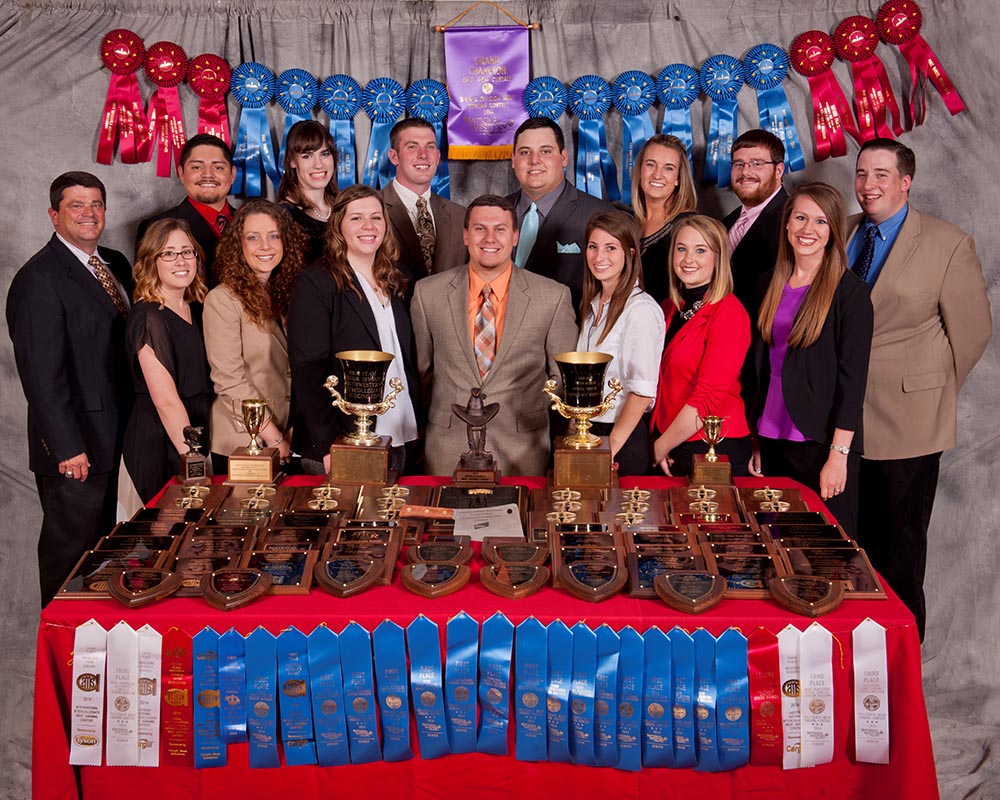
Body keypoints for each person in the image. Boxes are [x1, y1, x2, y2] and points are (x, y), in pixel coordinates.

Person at [848, 139, 992, 640]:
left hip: (909, 424)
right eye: (862, 173)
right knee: (849, 548)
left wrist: (926, 390)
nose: (869, 185)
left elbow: (972, 333)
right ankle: (857, 667)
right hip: (843, 424)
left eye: (881, 175)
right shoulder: (842, 234)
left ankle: (901, 664)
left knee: (899, 553)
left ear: (905, 182)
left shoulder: (947, 242)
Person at [6, 172, 133, 606]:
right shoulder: (39, 279)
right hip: (75, 446)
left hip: (117, 435)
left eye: (96, 204)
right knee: (70, 555)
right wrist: (65, 447)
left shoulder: (115, 263)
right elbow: (42, 376)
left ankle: (94, 652)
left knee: (104, 553)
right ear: (53, 214)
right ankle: (60, 649)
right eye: (76, 205)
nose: (89, 213)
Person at [411, 194, 578, 476]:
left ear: (514, 236)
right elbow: (423, 371)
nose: (490, 238)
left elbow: (562, 377)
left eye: (500, 229)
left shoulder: (553, 296)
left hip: (522, 449)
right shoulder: (428, 294)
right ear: (466, 235)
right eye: (480, 228)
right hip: (447, 448)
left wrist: (525, 410)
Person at [748, 183, 873, 537]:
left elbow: (853, 384)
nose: (808, 230)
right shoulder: (766, 285)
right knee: (776, 548)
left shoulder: (851, 294)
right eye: (800, 218)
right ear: (786, 224)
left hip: (820, 443)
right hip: (771, 437)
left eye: (820, 222)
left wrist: (838, 457)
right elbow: (760, 369)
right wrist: (758, 439)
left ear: (833, 230)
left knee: (826, 554)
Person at [287, 184, 420, 475]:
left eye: (376, 217)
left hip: (401, 434)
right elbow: (308, 369)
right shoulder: (316, 283)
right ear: (338, 226)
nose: (368, 226)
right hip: (344, 441)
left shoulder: (398, 280)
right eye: (356, 218)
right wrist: (328, 445)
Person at [203, 200, 308, 475]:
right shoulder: (222, 300)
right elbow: (229, 380)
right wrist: (273, 437)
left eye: (274, 236)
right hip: (242, 440)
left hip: (286, 437)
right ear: (238, 245)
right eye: (253, 237)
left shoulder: (285, 295)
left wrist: (294, 428)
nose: (266, 246)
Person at [650, 215, 752, 477]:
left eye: (700, 250)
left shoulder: (729, 313)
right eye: (681, 249)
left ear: (718, 257)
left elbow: (706, 398)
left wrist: (660, 446)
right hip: (674, 439)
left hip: (712, 444)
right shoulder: (670, 307)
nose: (688, 259)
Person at [123, 219, 213, 503]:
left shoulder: (195, 307)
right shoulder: (149, 316)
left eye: (187, 252)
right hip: (160, 441)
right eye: (168, 253)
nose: (181, 260)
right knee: (160, 540)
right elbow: (166, 401)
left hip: (196, 432)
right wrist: (194, 459)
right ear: (152, 262)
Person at [576, 210, 665, 476]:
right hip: (590, 430)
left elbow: (641, 393)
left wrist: (608, 450)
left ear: (631, 253)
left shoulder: (640, 310)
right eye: (593, 246)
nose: (599, 257)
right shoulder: (592, 305)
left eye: (611, 248)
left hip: (619, 438)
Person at [506, 117, 612, 309]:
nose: (534, 161)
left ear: (564, 158)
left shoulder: (600, 216)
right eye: (524, 152)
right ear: (513, 160)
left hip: (569, 334)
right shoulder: (496, 212)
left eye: (545, 151)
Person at [136, 133, 237, 280]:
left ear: (232, 174)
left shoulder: (250, 222)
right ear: (181, 173)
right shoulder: (155, 226)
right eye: (196, 167)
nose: (208, 175)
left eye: (218, 168)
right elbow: (146, 291)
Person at [383, 117, 467, 288]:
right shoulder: (372, 210)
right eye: (412, 147)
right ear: (394, 157)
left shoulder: (459, 214)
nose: (423, 155)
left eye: (430, 147)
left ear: (437, 156)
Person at [723, 129, 788, 314]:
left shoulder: (792, 222)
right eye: (738, 164)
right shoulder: (726, 222)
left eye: (756, 163)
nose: (745, 172)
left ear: (779, 170)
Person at [631, 134, 698, 305]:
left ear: (678, 178)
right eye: (650, 165)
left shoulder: (689, 226)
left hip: (667, 325)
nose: (657, 175)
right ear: (640, 171)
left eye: (668, 168)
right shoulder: (628, 222)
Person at [276, 120, 339, 265]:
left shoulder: (344, 206)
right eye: (307, 156)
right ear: (292, 161)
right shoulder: (284, 216)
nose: (319, 165)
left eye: (324, 154)